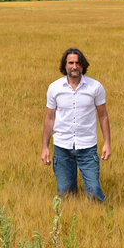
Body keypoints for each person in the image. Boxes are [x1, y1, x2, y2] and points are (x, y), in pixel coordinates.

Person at [41, 48, 111, 202]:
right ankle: (69, 223)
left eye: (78, 63)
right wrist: (45, 147)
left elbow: (103, 116)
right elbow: (49, 118)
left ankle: (98, 220)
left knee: (94, 193)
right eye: (71, 63)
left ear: (82, 65)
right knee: (66, 195)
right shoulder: (54, 88)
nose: (74, 66)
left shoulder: (95, 87)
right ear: (64, 65)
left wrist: (107, 143)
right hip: (62, 148)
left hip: (87, 147)